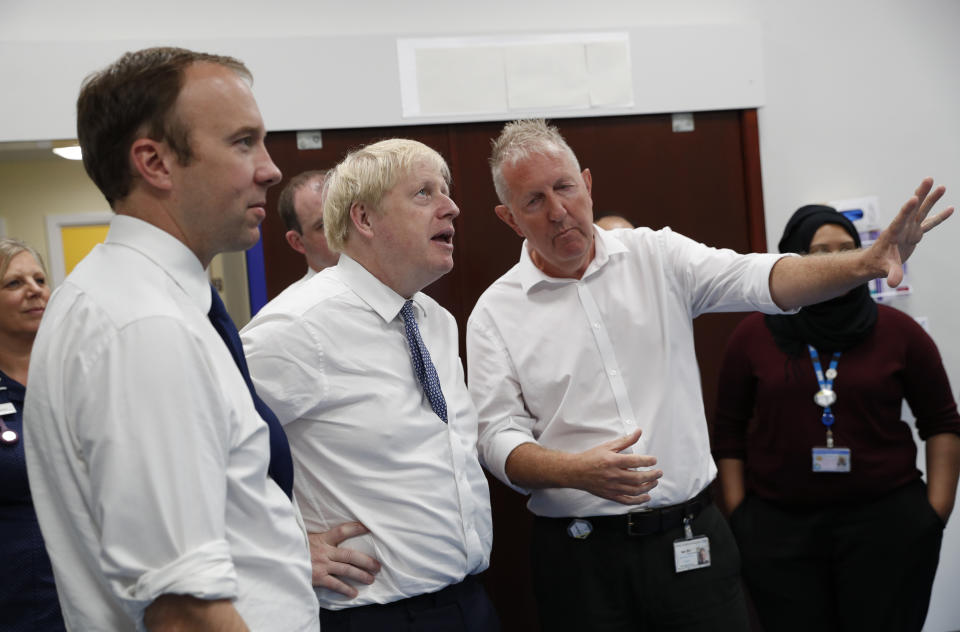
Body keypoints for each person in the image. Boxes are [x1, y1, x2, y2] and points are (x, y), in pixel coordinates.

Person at [466, 119, 952, 631]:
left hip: (690, 541)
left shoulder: (657, 256)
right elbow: (495, 438)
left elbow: (764, 277)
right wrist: (570, 471)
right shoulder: (496, 313)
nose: (559, 211)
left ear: (586, 183)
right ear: (509, 218)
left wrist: (866, 263)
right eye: (534, 200)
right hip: (581, 556)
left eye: (564, 187)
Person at [23, 47, 318, 630]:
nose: (271, 168)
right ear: (154, 163)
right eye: (242, 142)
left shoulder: (132, 298)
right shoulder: (144, 326)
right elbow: (185, 609)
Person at [241, 138, 498, 632]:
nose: (451, 207)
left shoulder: (435, 320)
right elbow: (197, 450)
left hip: (469, 602)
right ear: (364, 219)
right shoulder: (300, 327)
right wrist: (286, 546)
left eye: (445, 191)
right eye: (424, 193)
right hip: (374, 616)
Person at [712, 204, 960, 632]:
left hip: (888, 529)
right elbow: (728, 432)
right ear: (791, 258)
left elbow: (941, 424)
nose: (840, 261)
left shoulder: (900, 332)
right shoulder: (753, 334)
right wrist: (740, 517)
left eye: (848, 249)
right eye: (821, 252)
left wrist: (933, 515)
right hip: (778, 533)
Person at [0, 238, 65, 631]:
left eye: (39, 279)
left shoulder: (73, 372)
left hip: (93, 589)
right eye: (13, 283)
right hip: (18, 601)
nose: (35, 290)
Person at [277, 169, 340, 291]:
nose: (345, 229)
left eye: (346, 215)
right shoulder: (291, 309)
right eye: (324, 225)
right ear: (297, 242)